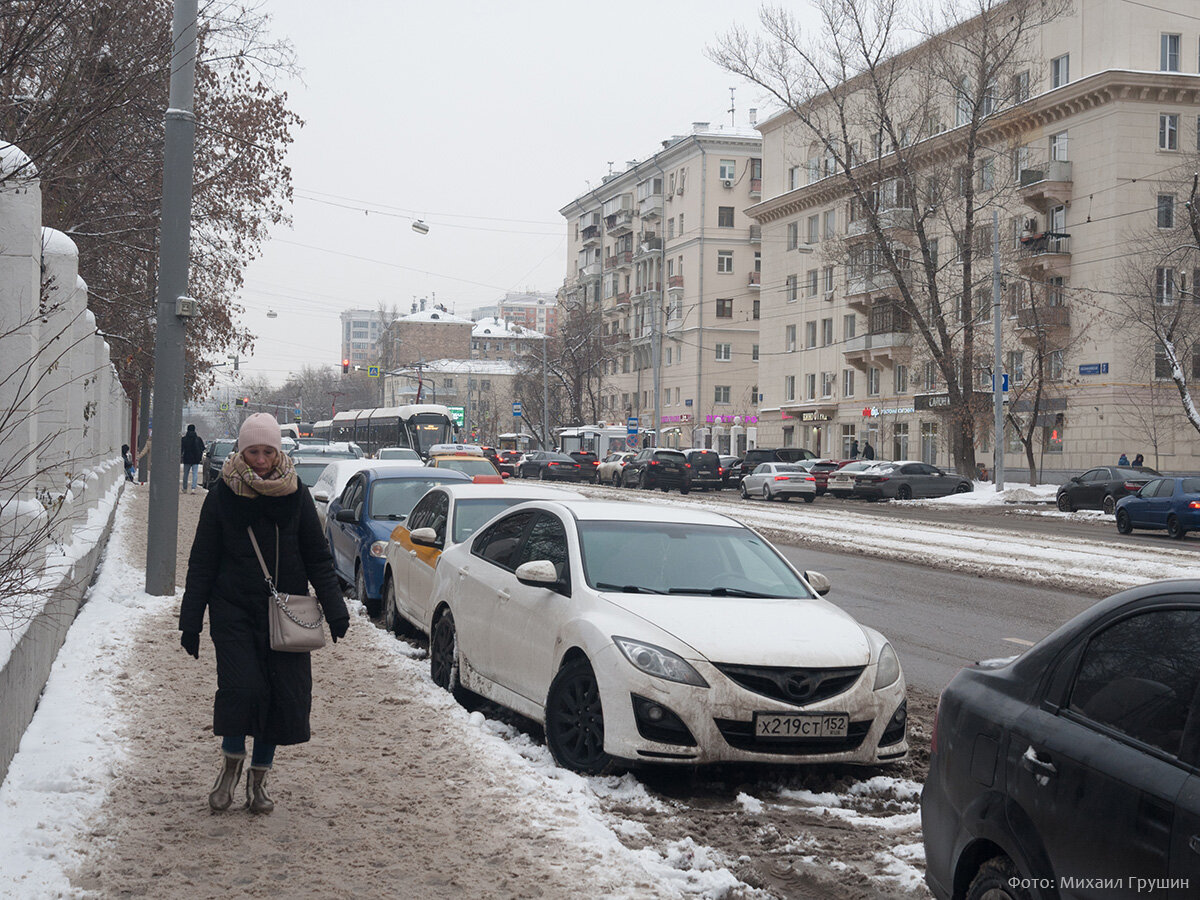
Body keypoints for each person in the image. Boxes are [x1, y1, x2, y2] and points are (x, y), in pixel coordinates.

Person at [179, 412, 350, 815]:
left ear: (278, 451)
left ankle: (259, 779)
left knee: (280, 697)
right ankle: (230, 767)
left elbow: (317, 556)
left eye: (267, 451)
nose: (259, 460)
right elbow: (201, 561)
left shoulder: (297, 494)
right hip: (232, 610)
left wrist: (336, 607)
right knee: (242, 689)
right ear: (241, 450)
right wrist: (190, 621)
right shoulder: (222, 495)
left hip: (286, 611)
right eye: (253, 451)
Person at [181, 424, 205, 494]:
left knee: (185, 474)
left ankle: (185, 488)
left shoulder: (184, 439)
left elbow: (181, 449)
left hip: (187, 459)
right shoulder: (198, 439)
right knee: (195, 474)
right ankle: (193, 489)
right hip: (196, 459)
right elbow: (202, 448)